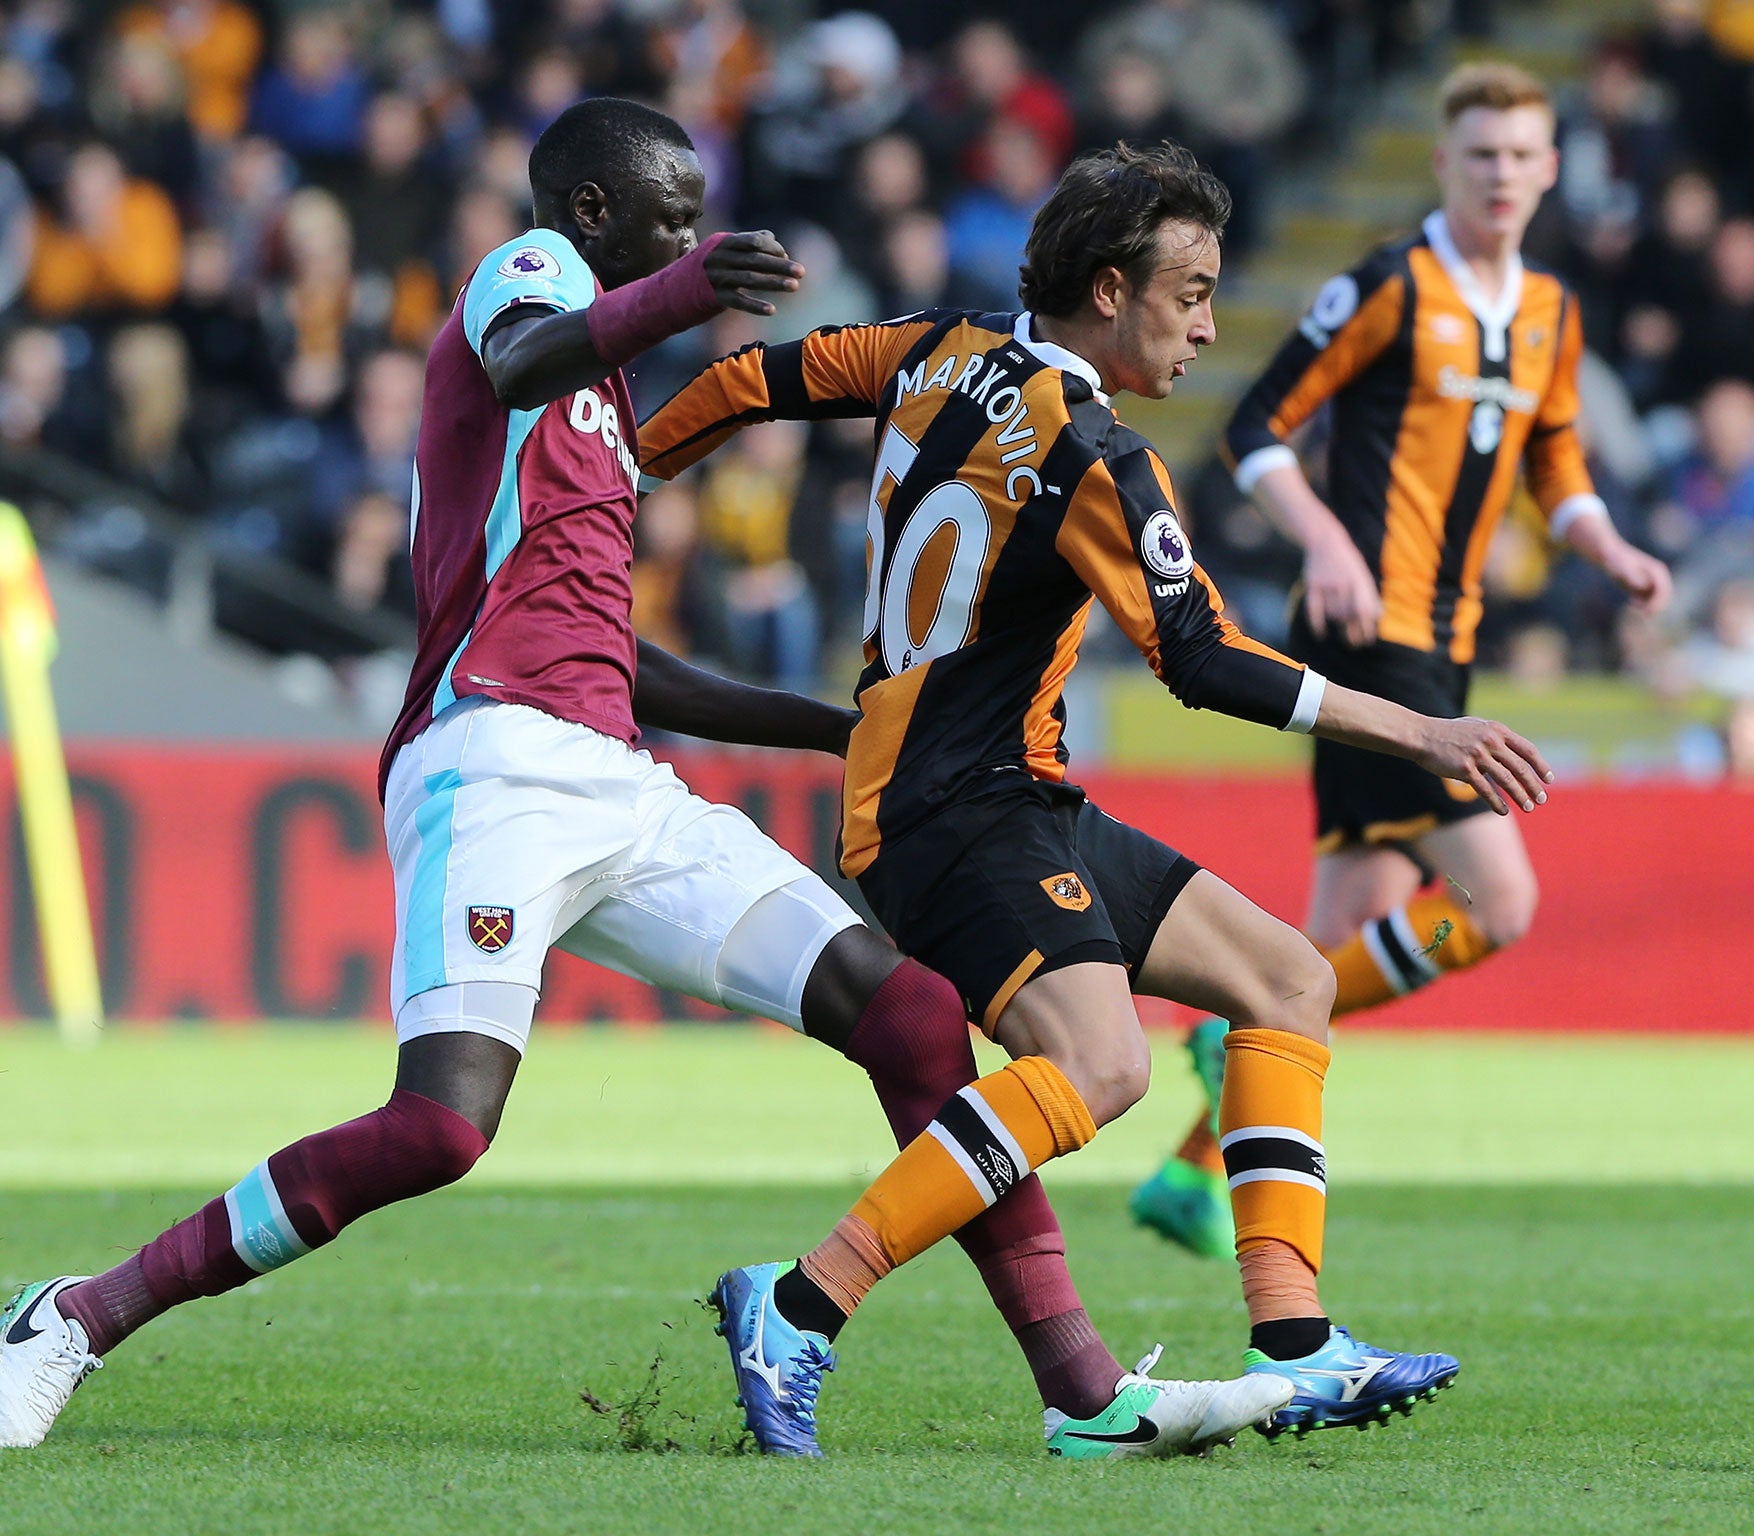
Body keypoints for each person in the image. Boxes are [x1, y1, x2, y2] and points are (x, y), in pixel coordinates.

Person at [0, 99, 1274, 1465]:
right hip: (488, 760)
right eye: (672, 211)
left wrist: (820, 726)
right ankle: (73, 1316)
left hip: (619, 780)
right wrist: (680, 290)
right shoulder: (529, 275)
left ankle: (1082, 1394)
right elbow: (531, 352)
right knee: (438, 1128)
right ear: (597, 213)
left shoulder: (601, 411)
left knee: (909, 1017)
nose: (693, 230)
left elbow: (611, 649)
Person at [635, 141, 1554, 1454]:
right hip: (956, 811)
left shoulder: (938, 347)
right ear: (1112, 290)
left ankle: (1297, 1346)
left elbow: (745, 379)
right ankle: (797, 1307)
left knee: (1289, 981)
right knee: (1102, 1065)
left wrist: (621, 485)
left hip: (1002, 796)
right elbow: (1205, 663)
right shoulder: (1098, 455)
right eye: (1190, 294)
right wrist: (1420, 731)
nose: (1208, 325)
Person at [1134, 64, 1671, 1258]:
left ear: (1547, 167)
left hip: (1451, 642)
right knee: (1495, 901)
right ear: (1444, 163)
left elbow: (1556, 467)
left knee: (1337, 940)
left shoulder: (1548, 313)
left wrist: (1606, 544)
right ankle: (1225, 1052)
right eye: (1478, 154)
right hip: (1373, 639)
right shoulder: (1384, 283)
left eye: (1520, 156)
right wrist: (1324, 539)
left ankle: (1188, 1172)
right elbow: (1253, 428)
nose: (1499, 175)